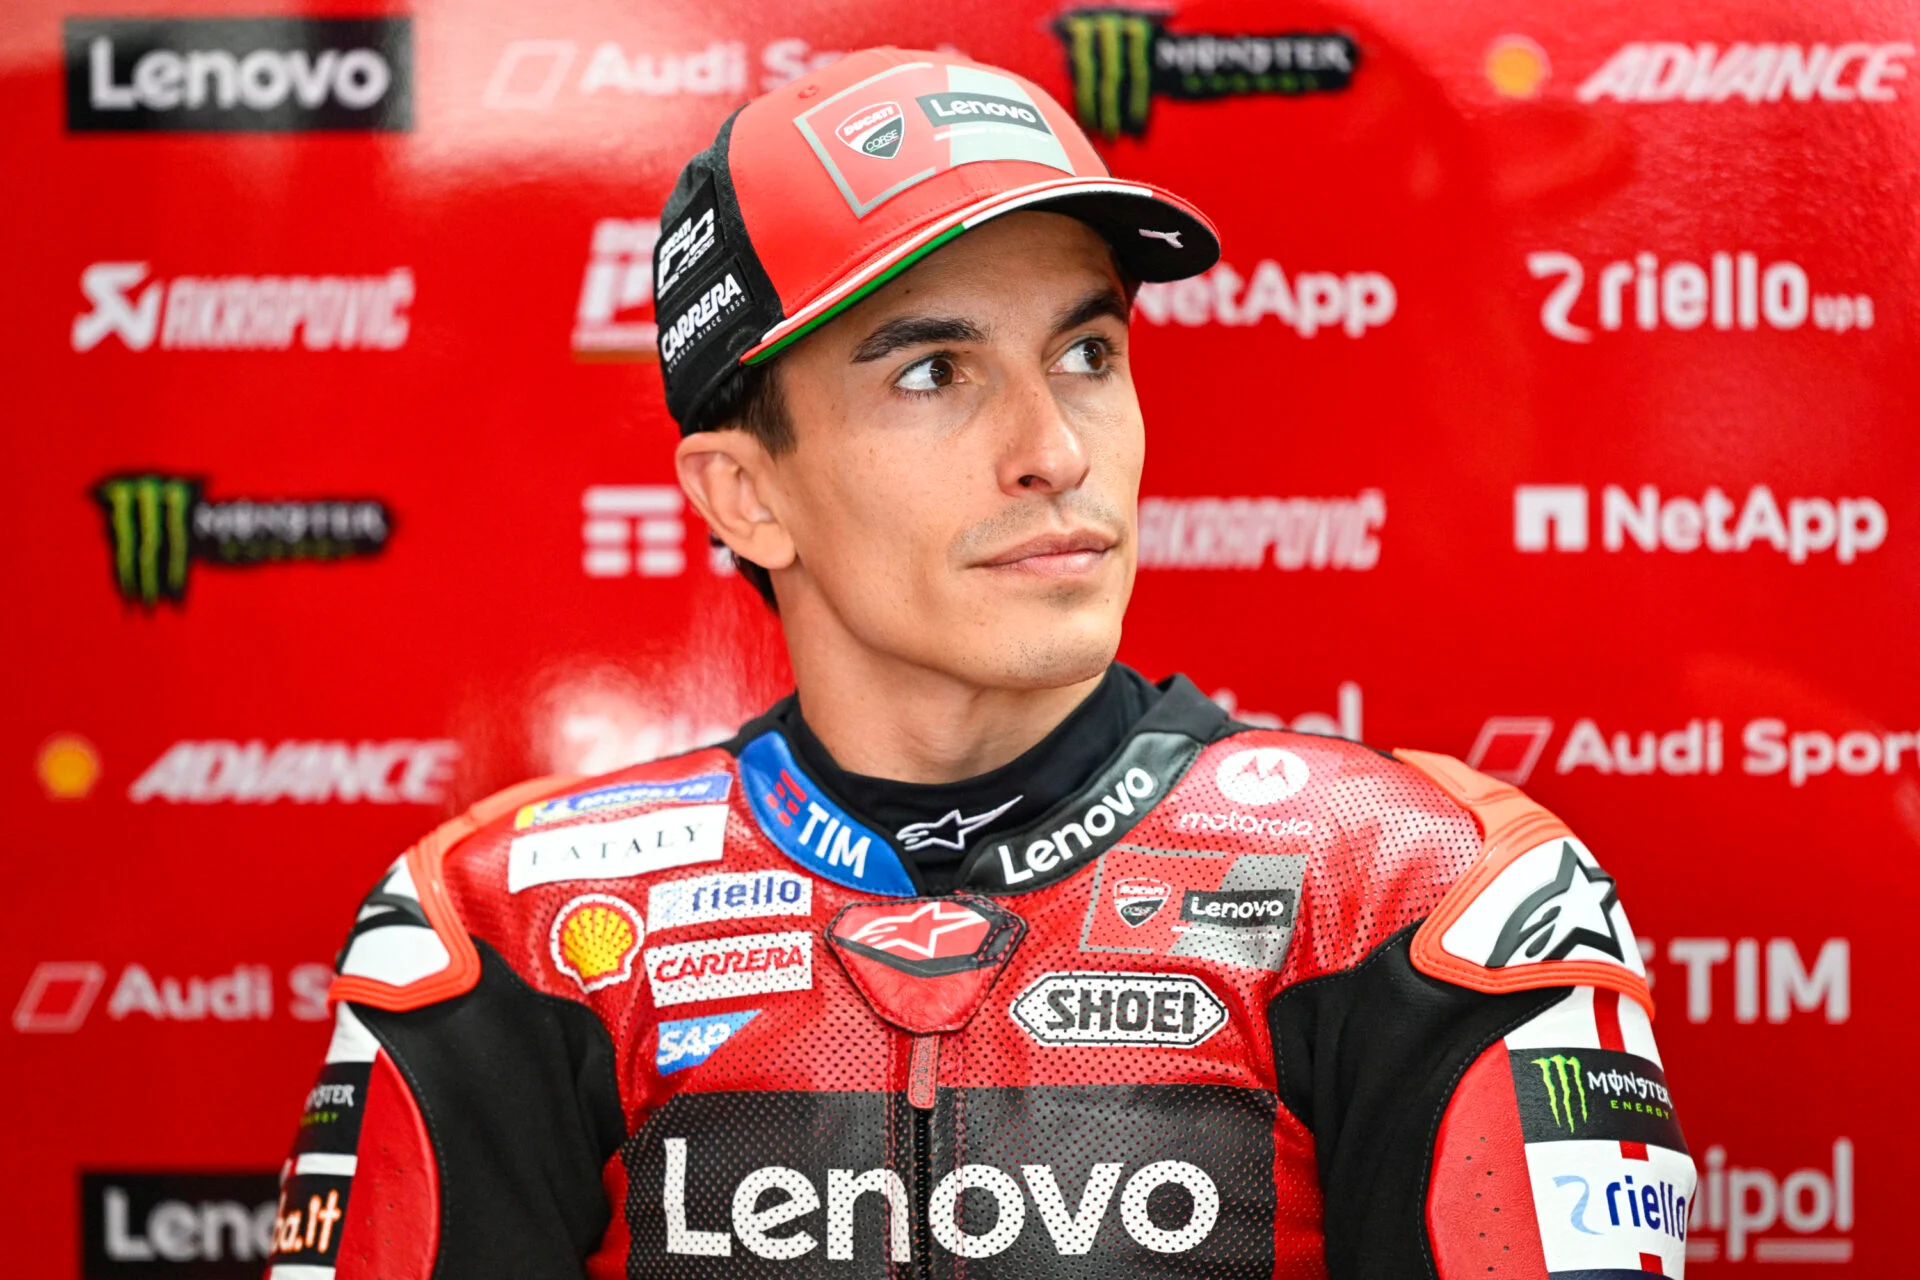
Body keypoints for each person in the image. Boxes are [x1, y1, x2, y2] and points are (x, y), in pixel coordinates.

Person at [265, 47, 1693, 1280]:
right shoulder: (505, 936)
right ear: (745, 495)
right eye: (934, 373)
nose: (1056, 451)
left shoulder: (1421, 899)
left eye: (1087, 353)